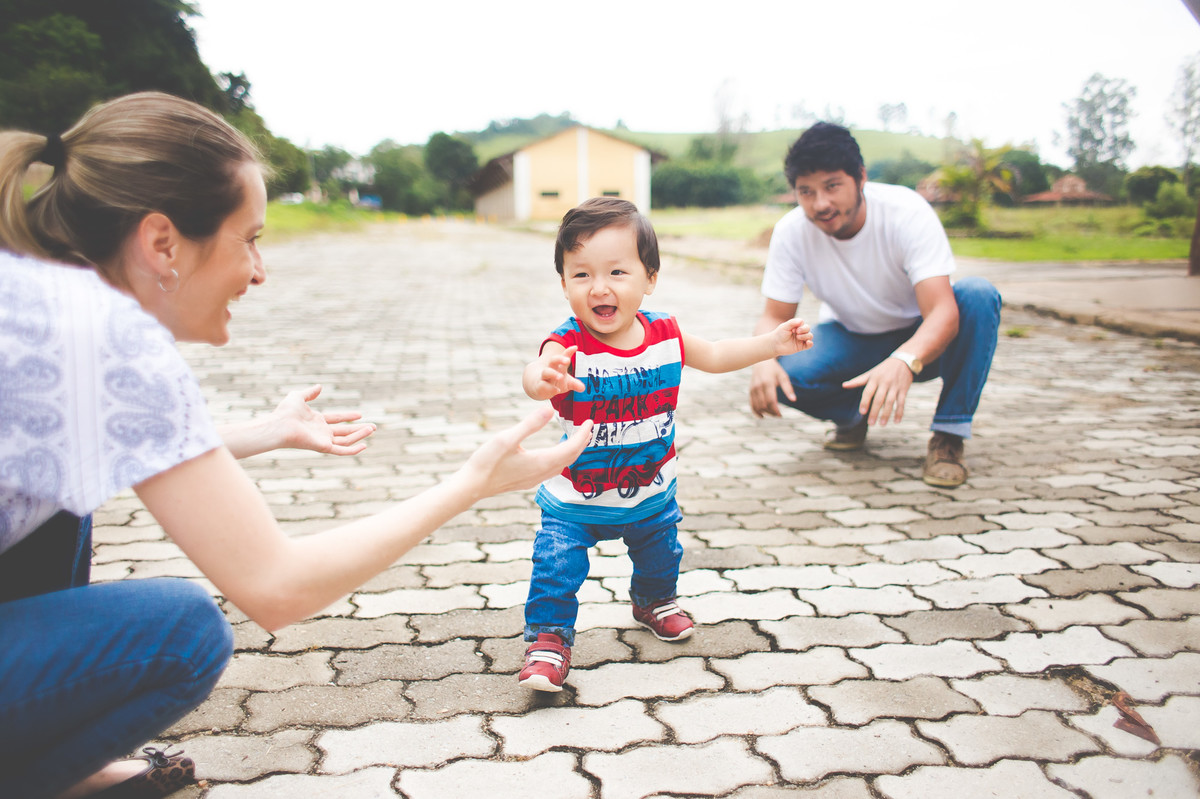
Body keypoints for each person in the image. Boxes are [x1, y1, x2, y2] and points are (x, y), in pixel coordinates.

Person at [0, 92, 592, 799]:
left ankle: (62, 755)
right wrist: (474, 482)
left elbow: (91, 444)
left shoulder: (36, 289)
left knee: (62, 503)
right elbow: (278, 587)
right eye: (248, 238)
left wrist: (266, 433)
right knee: (183, 632)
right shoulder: (103, 335)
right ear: (162, 243)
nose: (259, 271)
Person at [517, 197, 813, 691]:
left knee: (660, 555)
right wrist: (542, 376)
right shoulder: (567, 344)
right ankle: (548, 641)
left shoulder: (665, 333)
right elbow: (537, 373)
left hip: (651, 490)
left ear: (649, 278)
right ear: (564, 284)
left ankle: (653, 601)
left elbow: (715, 354)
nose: (600, 287)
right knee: (556, 567)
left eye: (617, 271)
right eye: (582, 275)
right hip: (576, 500)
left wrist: (771, 345)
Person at [748, 122, 1001, 487]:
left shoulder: (906, 211)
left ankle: (949, 435)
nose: (821, 204)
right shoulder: (791, 232)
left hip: (923, 338)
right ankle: (853, 416)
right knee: (782, 373)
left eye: (832, 186)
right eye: (806, 192)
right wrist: (762, 361)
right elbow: (774, 317)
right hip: (853, 339)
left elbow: (943, 312)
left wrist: (904, 360)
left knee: (977, 295)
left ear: (861, 177)